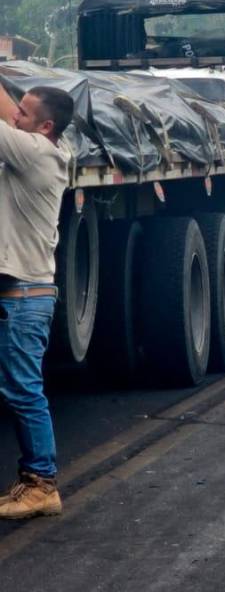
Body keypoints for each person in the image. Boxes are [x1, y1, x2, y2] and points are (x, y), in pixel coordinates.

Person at [0, 82, 74, 520]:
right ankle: (31, 482)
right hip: (21, 292)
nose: (15, 118)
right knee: (19, 388)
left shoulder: (38, 153)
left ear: (45, 127)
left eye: (24, 115)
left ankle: (42, 485)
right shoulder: (32, 153)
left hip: (26, 296)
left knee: (24, 391)